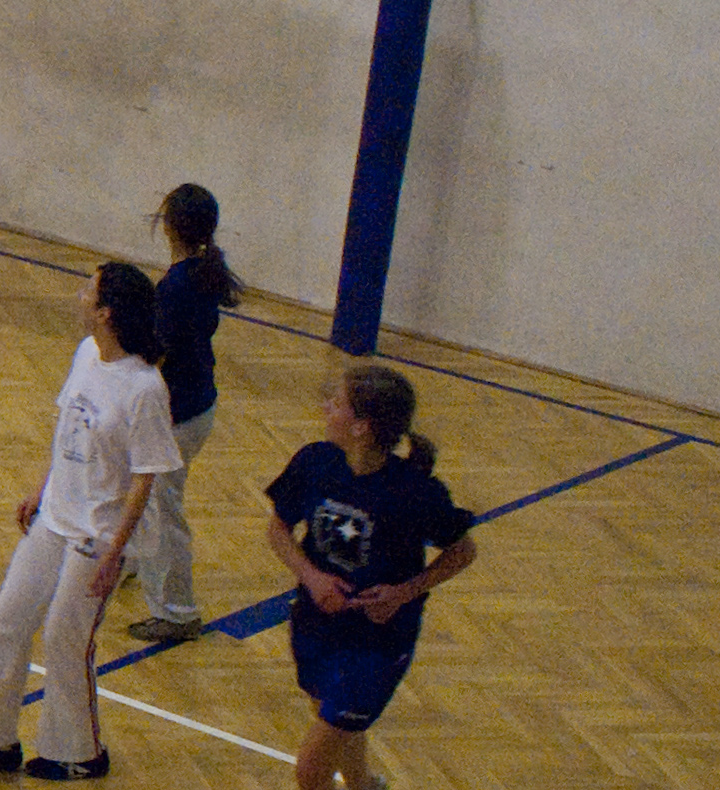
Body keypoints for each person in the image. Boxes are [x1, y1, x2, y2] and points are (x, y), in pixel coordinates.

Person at [0, 262, 182, 781]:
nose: (79, 297)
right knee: (7, 623)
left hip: (98, 534)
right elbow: (68, 430)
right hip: (55, 517)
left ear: (107, 312)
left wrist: (115, 552)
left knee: (65, 639)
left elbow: (145, 480)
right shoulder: (86, 353)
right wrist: (40, 488)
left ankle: (79, 751)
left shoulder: (145, 388)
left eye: (87, 291)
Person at [266, 365, 477, 790]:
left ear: (362, 426)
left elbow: (463, 550)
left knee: (311, 770)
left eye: (337, 403)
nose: (326, 408)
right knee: (334, 718)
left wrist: (405, 592)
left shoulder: (413, 492)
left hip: (377, 643)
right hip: (316, 624)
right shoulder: (314, 462)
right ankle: (363, 784)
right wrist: (312, 577)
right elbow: (277, 529)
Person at [126, 182, 245, 643]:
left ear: (169, 225)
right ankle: (129, 560)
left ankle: (177, 612)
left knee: (161, 509)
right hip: (196, 405)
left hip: (178, 415)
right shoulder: (201, 273)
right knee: (140, 491)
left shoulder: (177, 286)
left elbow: (157, 353)